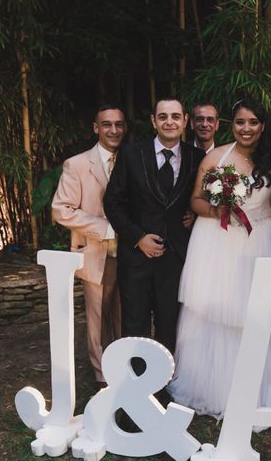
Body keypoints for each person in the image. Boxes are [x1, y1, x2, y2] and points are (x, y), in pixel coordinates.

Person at [168, 98, 271, 418]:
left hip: (261, 240)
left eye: (253, 122)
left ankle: (252, 388)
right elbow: (194, 201)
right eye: (240, 122)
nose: (246, 129)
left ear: (263, 125)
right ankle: (210, 386)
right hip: (217, 241)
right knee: (214, 312)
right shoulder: (217, 157)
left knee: (252, 314)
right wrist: (218, 209)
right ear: (231, 125)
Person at [103, 98, 205, 356]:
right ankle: (135, 384)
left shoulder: (198, 157)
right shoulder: (130, 154)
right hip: (137, 256)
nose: (169, 122)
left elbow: (200, 198)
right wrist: (138, 237)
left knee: (170, 324)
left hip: (176, 257)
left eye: (174, 116)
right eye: (162, 117)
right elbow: (113, 202)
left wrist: (194, 213)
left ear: (185, 121)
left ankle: (166, 384)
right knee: (134, 324)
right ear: (153, 121)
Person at [52, 104, 125, 388]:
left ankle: (121, 367)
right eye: (107, 124)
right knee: (97, 316)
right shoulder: (78, 164)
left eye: (119, 124)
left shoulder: (131, 159)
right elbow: (62, 209)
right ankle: (102, 376)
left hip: (129, 252)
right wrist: (105, 228)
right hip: (96, 250)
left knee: (122, 313)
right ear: (96, 128)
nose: (114, 130)